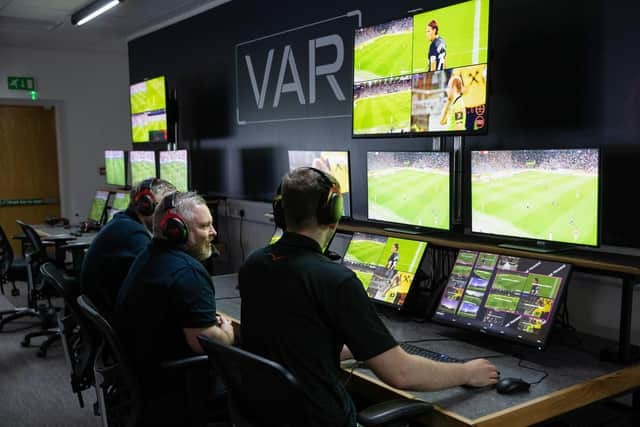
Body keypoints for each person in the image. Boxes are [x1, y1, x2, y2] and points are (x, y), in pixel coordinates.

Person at [239, 168, 498, 427]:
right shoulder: (336, 280)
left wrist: (364, 345)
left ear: (280, 211)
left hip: (266, 416)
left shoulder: (254, 264)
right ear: (332, 212)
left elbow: (292, 340)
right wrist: (467, 372)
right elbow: (401, 373)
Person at [115, 191, 234, 416]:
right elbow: (206, 344)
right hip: (172, 383)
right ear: (176, 231)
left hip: (143, 373)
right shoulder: (187, 272)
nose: (213, 232)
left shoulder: (148, 255)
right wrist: (227, 332)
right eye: (205, 226)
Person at [80, 177, 176, 318]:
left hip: (105, 310)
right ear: (145, 205)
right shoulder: (133, 234)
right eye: (164, 207)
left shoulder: (123, 222)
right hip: (116, 318)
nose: (168, 214)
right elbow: (159, 280)